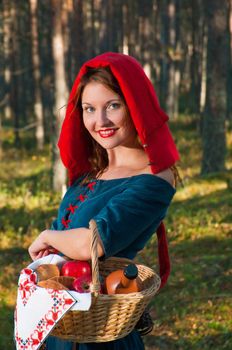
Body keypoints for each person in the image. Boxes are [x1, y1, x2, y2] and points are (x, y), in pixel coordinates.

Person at [28, 52, 180, 350]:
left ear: (134, 106)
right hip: (63, 325)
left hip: (102, 333)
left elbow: (93, 244)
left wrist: (48, 235)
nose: (100, 121)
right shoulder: (91, 172)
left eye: (113, 105)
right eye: (89, 109)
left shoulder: (153, 179)